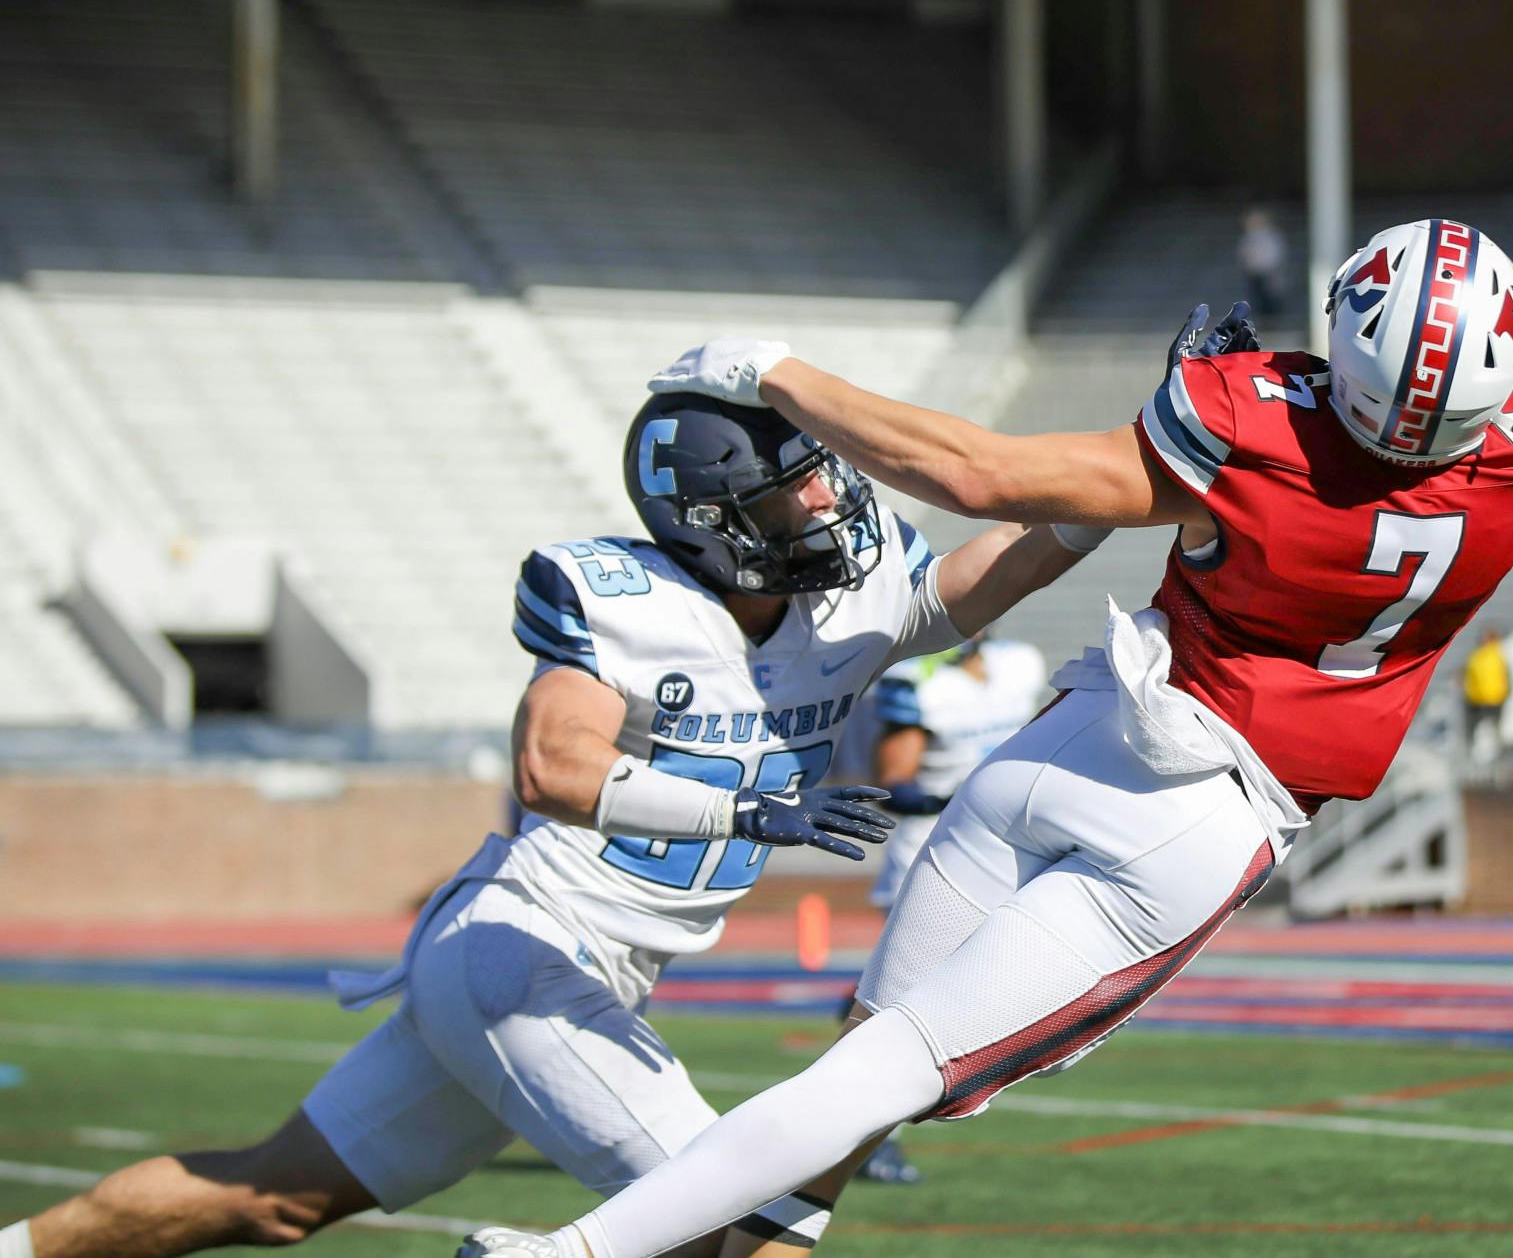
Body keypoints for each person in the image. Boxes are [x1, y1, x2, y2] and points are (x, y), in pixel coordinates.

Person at [461, 40, 1513, 1258]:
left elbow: (973, 474)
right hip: (1203, 822)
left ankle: (601, 1251)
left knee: (865, 1068)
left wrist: (770, 368)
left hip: (1091, 741)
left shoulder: (1249, 426)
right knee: (877, 1078)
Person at [1, 386, 1107, 1258]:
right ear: (713, 518)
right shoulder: (622, 602)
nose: (825, 505)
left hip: (577, 974)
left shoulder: (849, 604)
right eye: (791, 492)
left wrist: (1161, 451)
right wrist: (747, 807)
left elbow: (1030, 541)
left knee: (271, 1196)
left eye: (819, 479)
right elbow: (551, 764)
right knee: (733, 1217)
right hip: (521, 955)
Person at [850, 630, 1047, 1185]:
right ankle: (865, 1135)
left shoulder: (1019, 662)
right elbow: (895, 783)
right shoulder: (916, 679)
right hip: (935, 851)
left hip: (1011, 847)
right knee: (897, 1002)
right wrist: (971, 796)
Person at [1461, 625, 1511, 776]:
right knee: (1472, 737)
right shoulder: (1476, 656)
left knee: (1495, 737)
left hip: (1494, 701)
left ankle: (1500, 769)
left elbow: (1506, 678)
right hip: (1475, 701)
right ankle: (1471, 769)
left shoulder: (1498, 656)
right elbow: (1469, 676)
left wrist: (1502, 695)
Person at [1237, 207, 1287, 317]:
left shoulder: (1271, 237)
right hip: (1254, 273)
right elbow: (1244, 254)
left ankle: (1271, 320)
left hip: (1268, 273)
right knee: (1256, 299)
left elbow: (1275, 255)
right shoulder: (1249, 237)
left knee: (1269, 299)